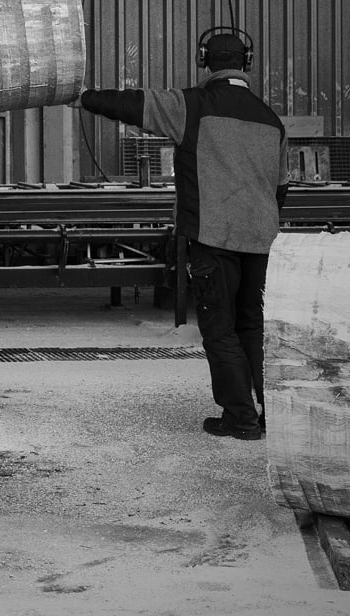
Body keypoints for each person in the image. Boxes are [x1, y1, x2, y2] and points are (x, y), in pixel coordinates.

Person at [71, 28, 288, 441]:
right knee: (252, 326)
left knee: (219, 327)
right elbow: (280, 191)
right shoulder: (271, 120)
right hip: (261, 242)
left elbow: (131, 104)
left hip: (212, 238)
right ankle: (269, 413)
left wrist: (81, 97)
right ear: (247, 63)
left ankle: (239, 418)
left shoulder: (192, 106)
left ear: (204, 60)